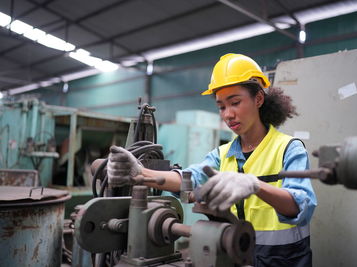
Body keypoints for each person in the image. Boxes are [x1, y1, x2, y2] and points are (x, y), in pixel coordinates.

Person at [107, 53, 317, 267]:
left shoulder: (289, 149)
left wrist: (255, 185)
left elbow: (301, 206)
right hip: (236, 257)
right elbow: (189, 178)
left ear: (258, 99)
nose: (228, 114)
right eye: (221, 107)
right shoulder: (222, 154)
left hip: (283, 261)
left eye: (235, 102)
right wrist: (140, 174)